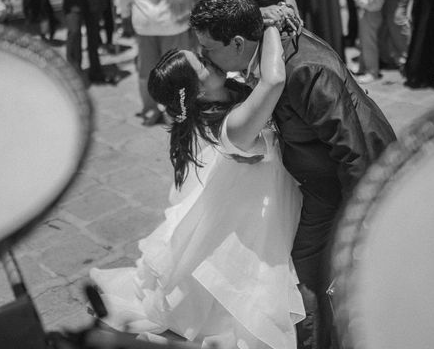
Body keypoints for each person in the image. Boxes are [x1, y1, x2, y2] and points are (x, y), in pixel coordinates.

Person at [191, 0, 397, 349]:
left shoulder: (304, 70)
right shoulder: (269, 47)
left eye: (209, 49)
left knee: (308, 272)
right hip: (317, 177)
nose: (204, 56)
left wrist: (358, 221)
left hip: (338, 183)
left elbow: (354, 151)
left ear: (238, 43)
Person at [91, 23, 305, 349]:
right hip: (259, 212)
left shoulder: (224, 93)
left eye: (202, 54)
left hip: (244, 200)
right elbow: (273, 80)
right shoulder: (230, 127)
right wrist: (271, 24)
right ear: (197, 92)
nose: (208, 57)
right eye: (201, 64)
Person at [340, 0, 388, 83]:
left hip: (371, 15)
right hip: (364, 14)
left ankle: (372, 72)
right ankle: (362, 67)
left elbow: (366, 1)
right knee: (362, 43)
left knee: (369, 44)